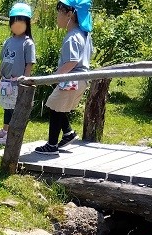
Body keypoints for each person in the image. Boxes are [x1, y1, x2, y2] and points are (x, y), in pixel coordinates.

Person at [34, 0, 92, 155]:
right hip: (82, 79)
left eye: (59, 12)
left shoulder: (72, 37)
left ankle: (52, 145)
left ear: (70, 14)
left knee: (54, 106)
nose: (57, 16)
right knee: (58, 106)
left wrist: (56, 76)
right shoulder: (84, 34)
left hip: (72, 78)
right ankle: (68, 133)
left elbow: (72, 61)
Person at [0, 2, 35, 146]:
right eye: (14, 20)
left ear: (27, 23)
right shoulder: (8, 41)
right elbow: (3, 62)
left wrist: (25, 80)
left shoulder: (28, 43)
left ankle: (10, 135)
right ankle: (5, 130)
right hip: (5, 81)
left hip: (17, 82)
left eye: (21, 20)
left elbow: (30, 63)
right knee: (6, 107)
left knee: (13, 108)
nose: (17, 24)